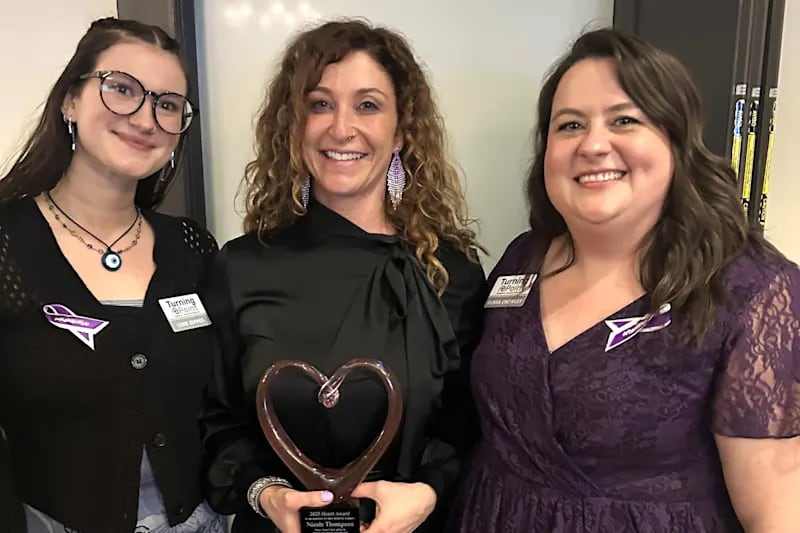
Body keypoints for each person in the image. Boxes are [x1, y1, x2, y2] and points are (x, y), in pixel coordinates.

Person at [450, 28, 800, 532]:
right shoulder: (521, 259)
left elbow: (776, 510)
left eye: (624, 120)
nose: (593, 144)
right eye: (569, 125)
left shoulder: (752, 290)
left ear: (675, 141)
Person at [199, 18, 487, 533]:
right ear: (294, 124)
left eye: (368, 105)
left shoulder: (451, 273)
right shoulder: (239, 267)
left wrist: (427, 492)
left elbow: (470, 422)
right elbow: (218, 421)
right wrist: (267, 496)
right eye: (320, 104)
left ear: (400, 132)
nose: (341, 128)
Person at [0, 17, 225, 533]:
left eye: (168, 104)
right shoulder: (6, 244)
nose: (146, 119)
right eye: (122, 89)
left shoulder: (192, 248)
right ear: (70, 101)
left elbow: (218, 408)